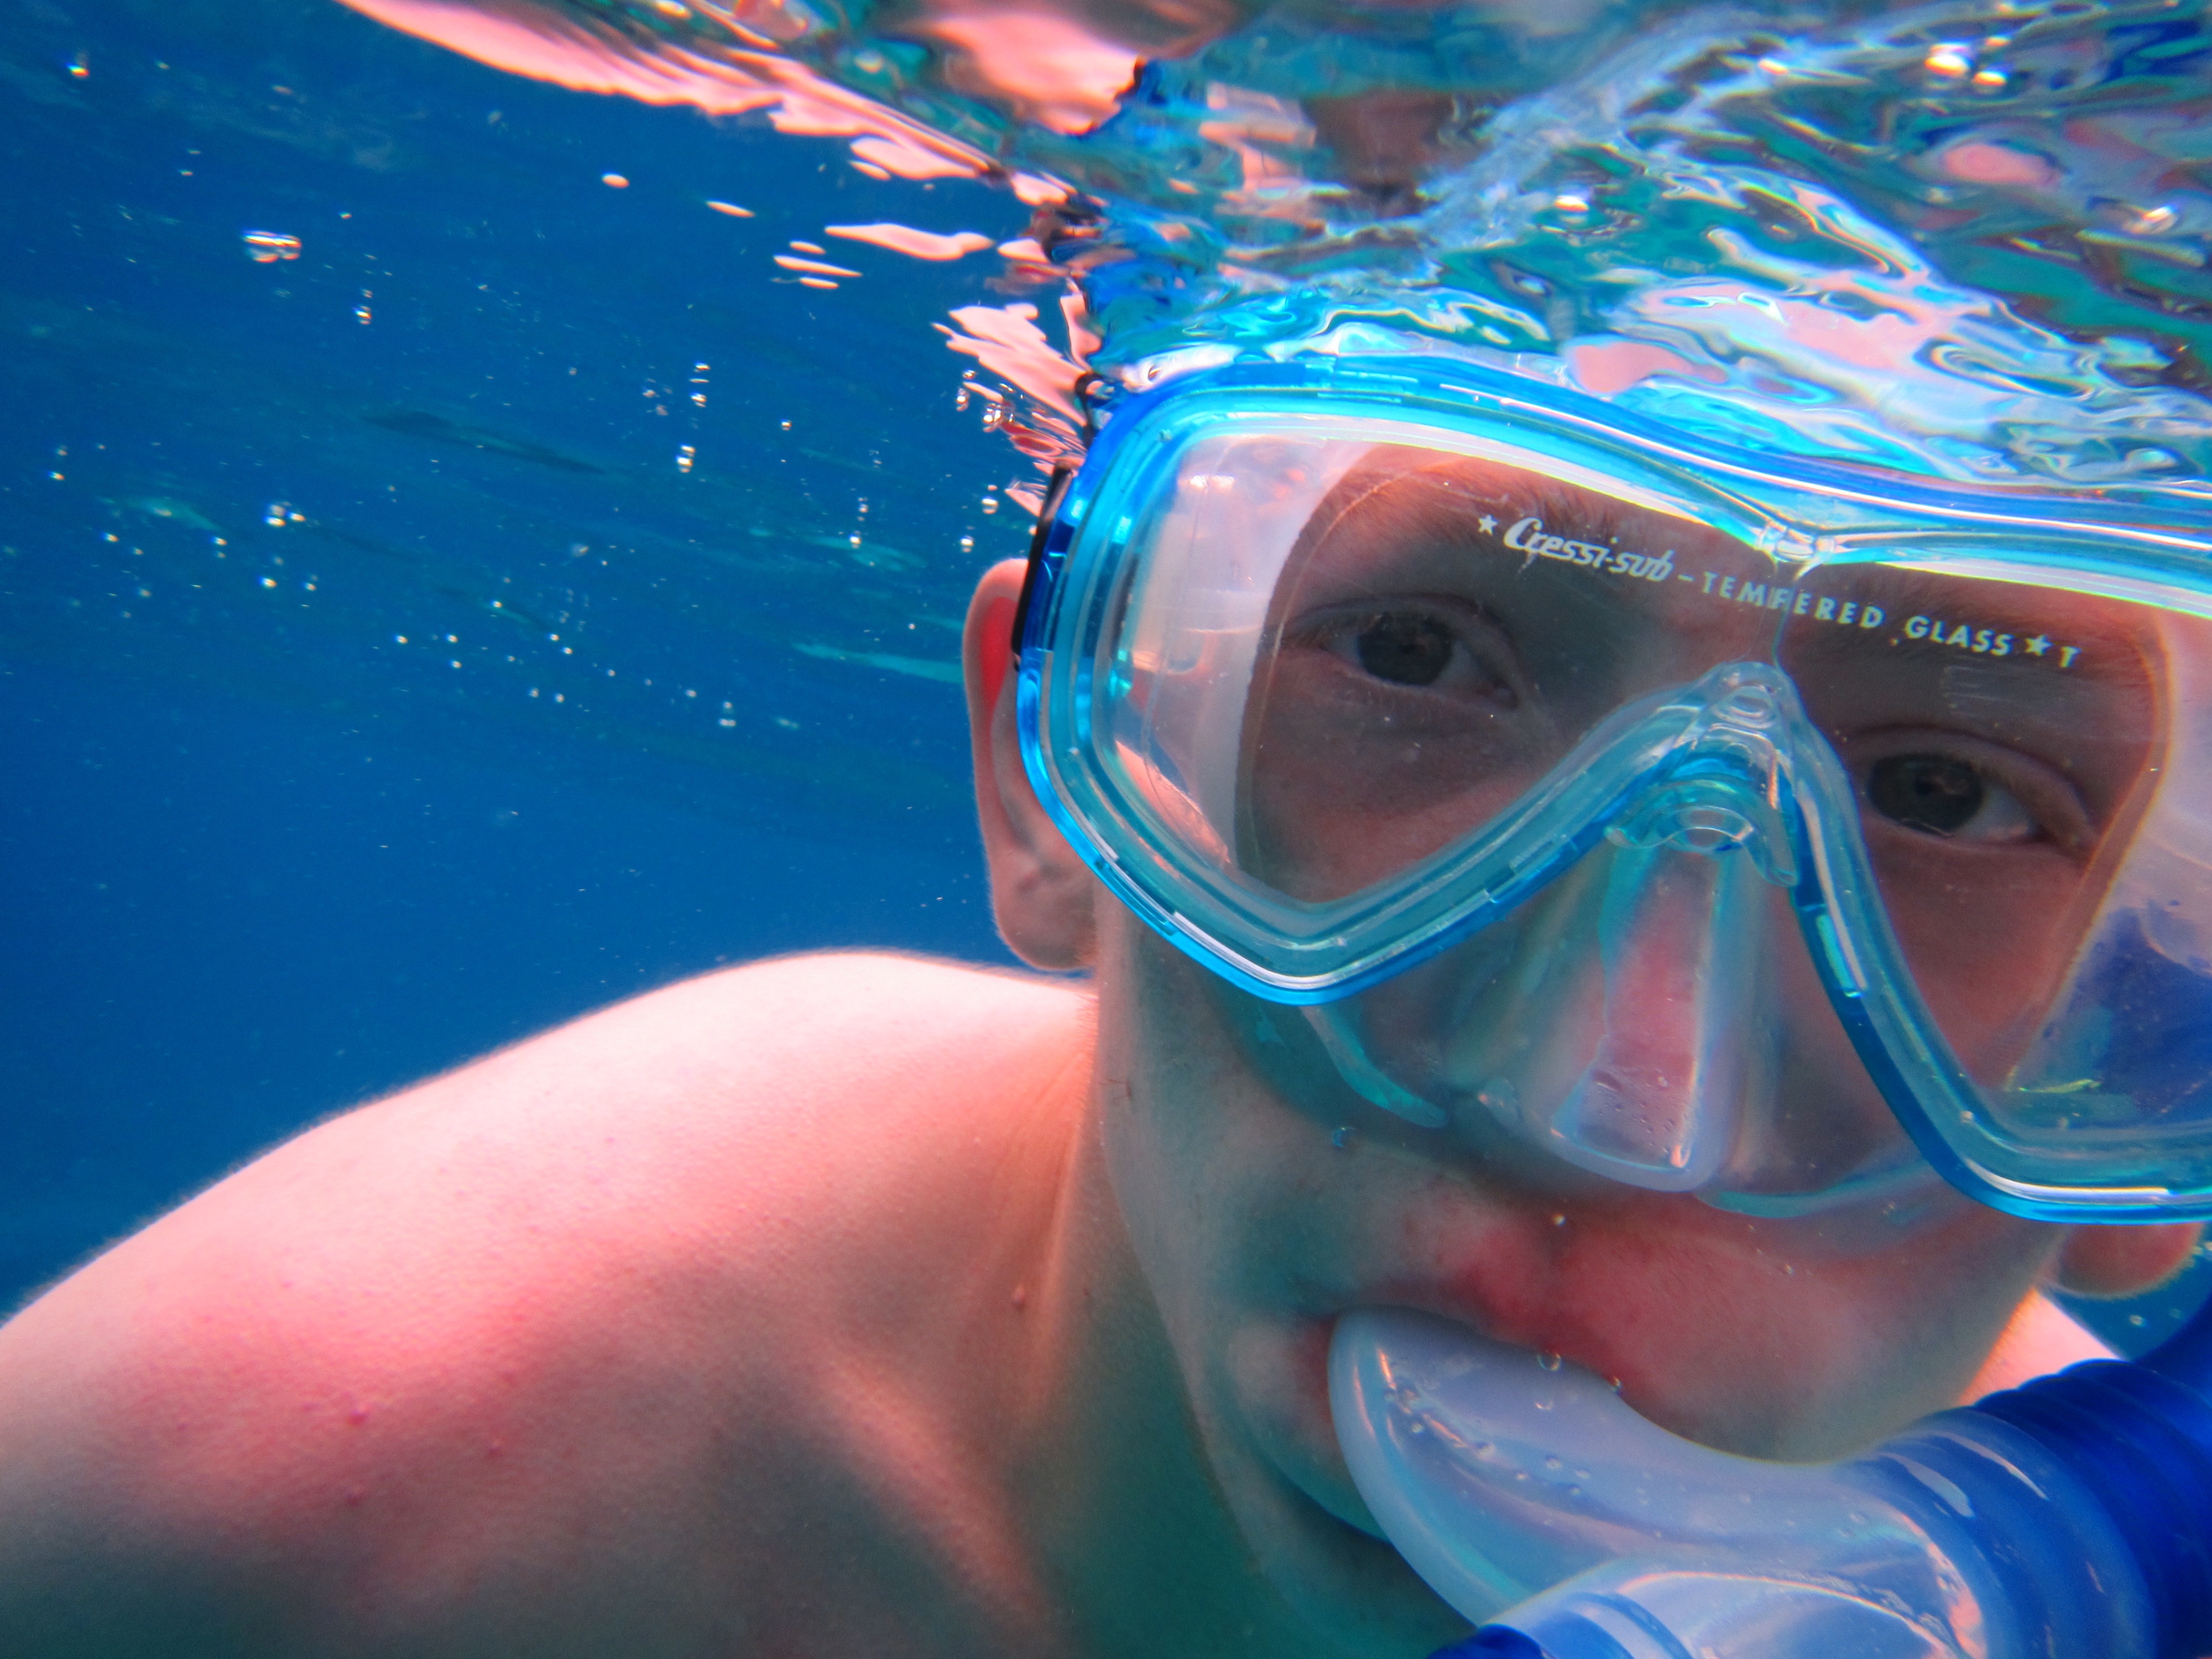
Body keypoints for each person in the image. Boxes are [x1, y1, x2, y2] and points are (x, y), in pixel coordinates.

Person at [6, 11, 2212, 1659]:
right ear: (1042, 781)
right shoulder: (273, 1505)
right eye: (1424, 659)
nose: (1611, 1099)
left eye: (1944, 797)